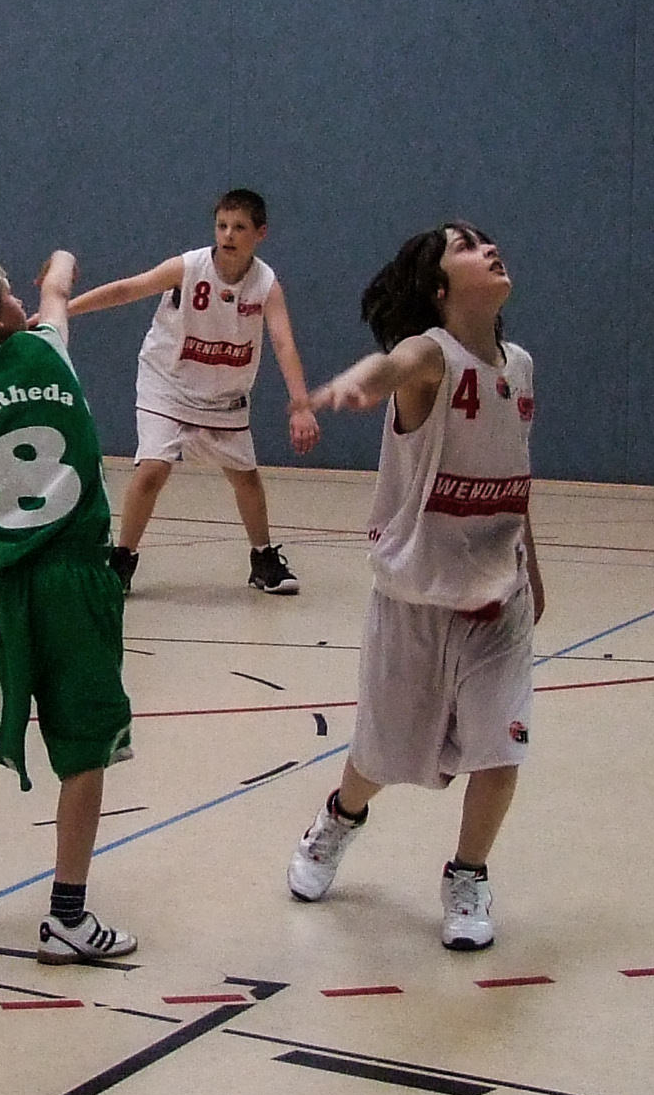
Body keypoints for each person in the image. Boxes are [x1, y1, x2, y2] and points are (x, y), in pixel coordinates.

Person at [287, 223, 542, 951]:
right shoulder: (433, 355)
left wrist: (532, 563)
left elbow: (515, 469)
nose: (488, 248)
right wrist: (359, 383)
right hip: (416, 597)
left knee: (500, 748)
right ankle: (338, 817)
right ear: (439, 288)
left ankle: (468, 873)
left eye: (488, 240)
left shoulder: (520, 366)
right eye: (466, 246)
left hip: (498, 595)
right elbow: (393, 364)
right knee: (380, 756)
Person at [0, 250, 139, 964]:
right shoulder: (46, 348)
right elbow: (59, 287)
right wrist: (60, 263)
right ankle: (67, 916)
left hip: (1, 584)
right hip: (74, 577)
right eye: (11, 294)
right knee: (85, 745)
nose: (23, 300)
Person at [67, 188, 321, 597]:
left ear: (261, 233)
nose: (228, 234)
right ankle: (122, 558)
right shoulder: (188, 267)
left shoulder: (266, 284)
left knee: (246, 479)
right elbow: (128, 289)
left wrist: (301, 407)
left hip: (223, 394)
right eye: (222, 225)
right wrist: (62, 311)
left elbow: (284, 342)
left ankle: (262, 559)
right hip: (167, 383)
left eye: (239, 227)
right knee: (153, 469)